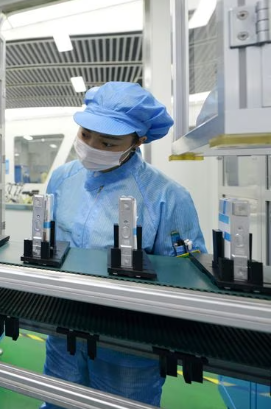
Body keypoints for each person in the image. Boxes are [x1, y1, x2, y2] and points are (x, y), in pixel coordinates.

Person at [42, 82, 207, 408]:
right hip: (64, 327)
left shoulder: (167, 197)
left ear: (138, 141)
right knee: (58, 400)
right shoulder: (62, 179)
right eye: (85, 134)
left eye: (108, 142)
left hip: (129, 343)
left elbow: (187, 275)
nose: (91, 146)